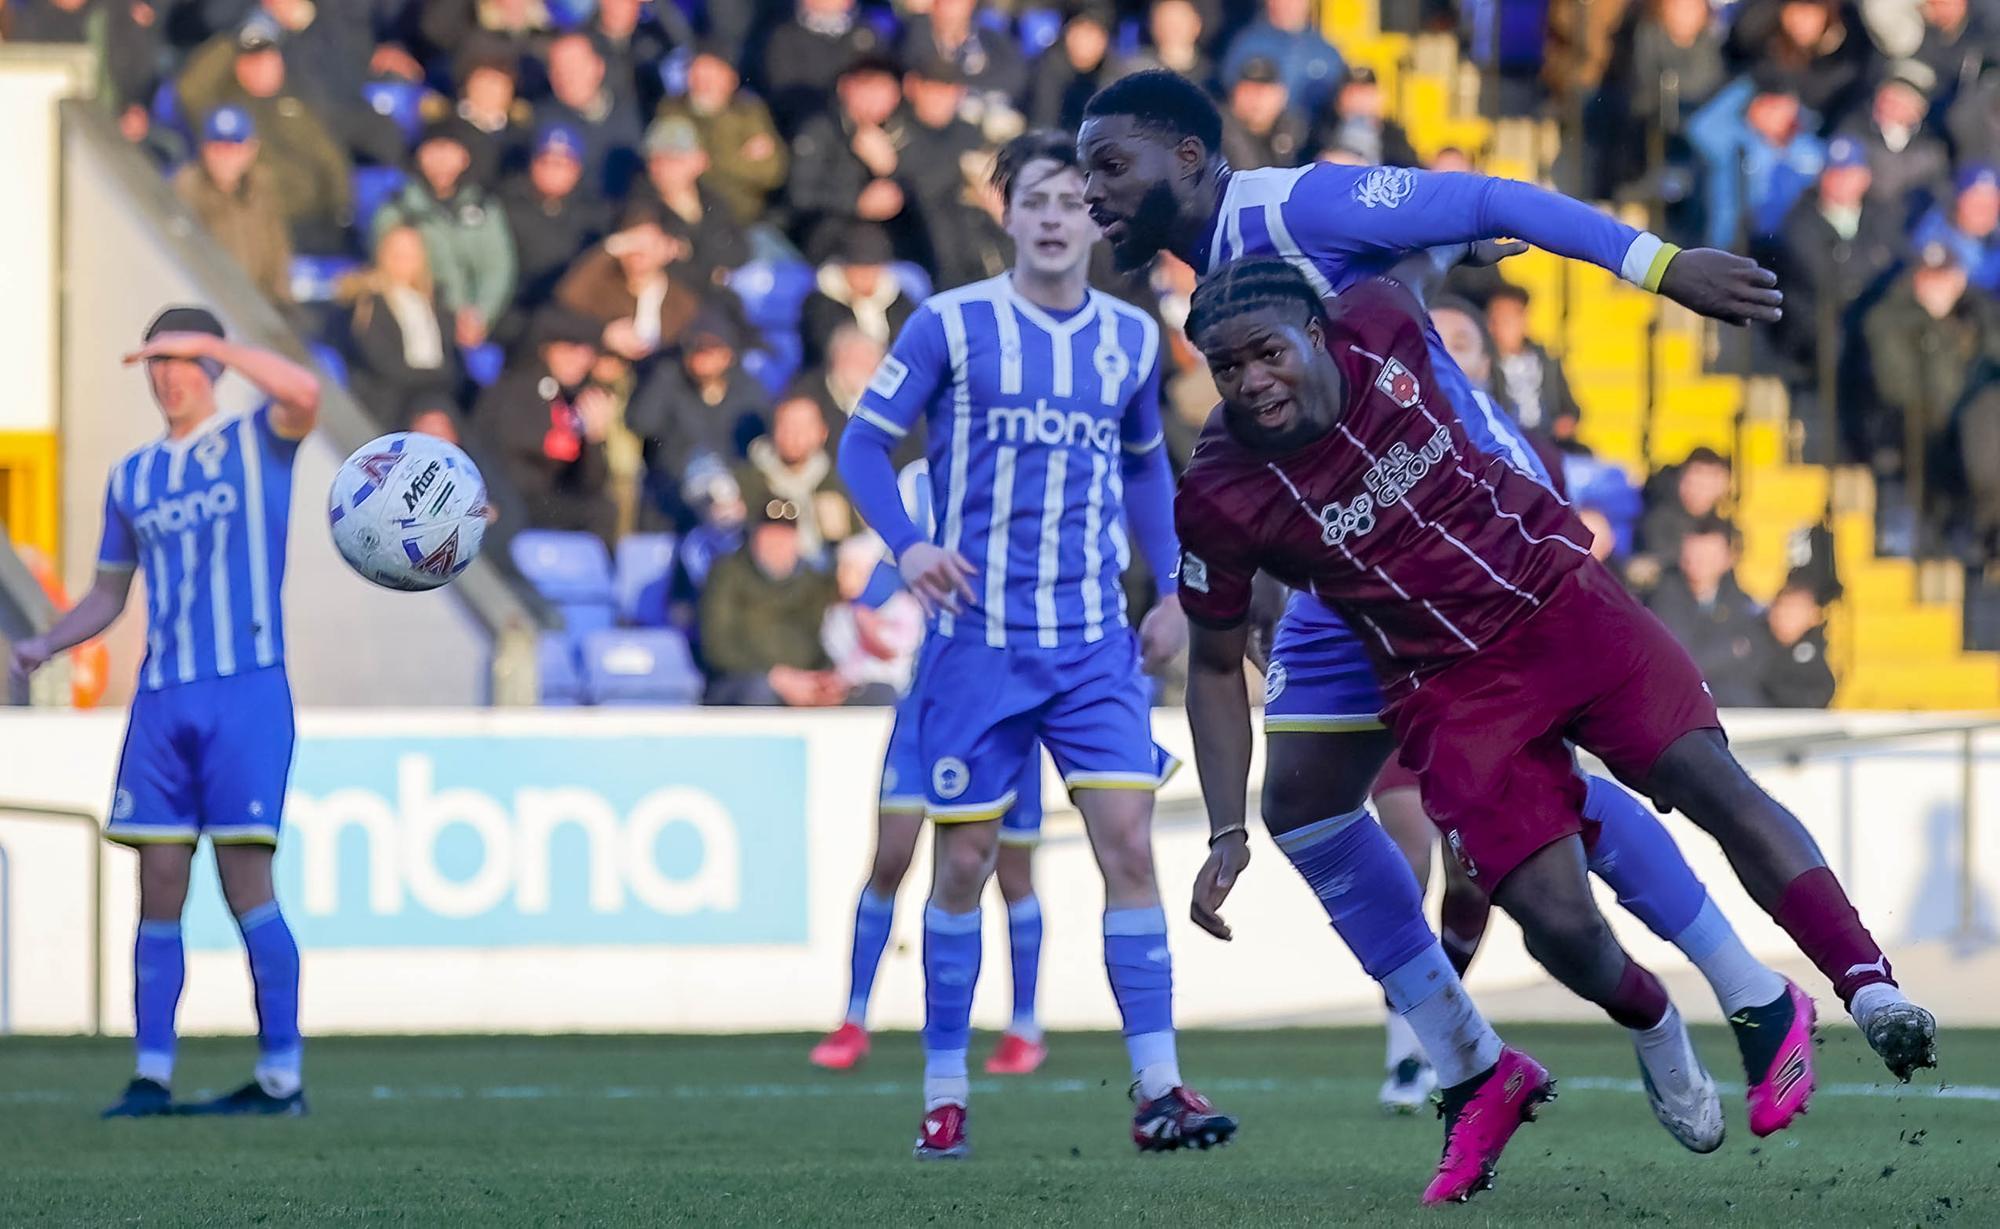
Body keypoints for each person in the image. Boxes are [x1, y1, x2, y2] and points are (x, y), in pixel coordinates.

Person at [1070, 70, 1848, 1198]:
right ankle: (1473, 1060)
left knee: (1561, 771)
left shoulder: (1297, 203)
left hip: (1468, 535)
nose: (1093, 193)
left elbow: (1492, 197)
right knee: (1303, 802)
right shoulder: (1220, 275)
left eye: (1108, 167)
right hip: (1356, 567)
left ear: (1187, 158)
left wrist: (1661, 267)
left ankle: (1741, 987)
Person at [1174, 265, 1936, 1166]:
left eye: (1268, 353)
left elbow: (1440, 213)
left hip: (1564, 606)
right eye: (1227, 368)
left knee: (1711, 782)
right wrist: (1225, 824)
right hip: (1451, 688)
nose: (1252, 379)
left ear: (1319, 325)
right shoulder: (1221, 490)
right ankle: (1653, 1020)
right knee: (1556, 924)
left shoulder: (1381, 316)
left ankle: (1868, 986)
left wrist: (1634, 257)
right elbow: (1215, 662)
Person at [837, 130, 1233, 1159]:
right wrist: (910, 540)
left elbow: (1147, 470)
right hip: (978, 643)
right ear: (1006, 216)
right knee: (962, 860)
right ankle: (942, 1085)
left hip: (1093, 640)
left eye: (1073, 200)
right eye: (1037, 200)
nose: (1056, 216)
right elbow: (861, 443)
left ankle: (1157, 1085)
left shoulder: (1129, 338)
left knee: (1129, 847)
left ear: (1097, 221)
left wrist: (1174, 592)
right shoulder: (949, 326)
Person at [9, 306, 322, 1117]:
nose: (169, 375)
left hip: (246, 686)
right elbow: (109, 593)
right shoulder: (134, 475)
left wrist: (214, 341)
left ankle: (281, 1075)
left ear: (212, 366)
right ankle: (151, 1071)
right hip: (161, 695)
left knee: (246, 877)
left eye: (182, 360)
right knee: (158, 881)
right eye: (156, 361)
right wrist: (43, 644)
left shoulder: (255, 441)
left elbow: (307, 391)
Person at [811, 461, 1052, 1076]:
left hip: (1007, 712)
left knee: (1012, 872)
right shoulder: (929, 493)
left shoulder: (1036, 515)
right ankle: (854, 1018)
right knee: (892, 856)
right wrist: (872, 607)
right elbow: (872, 589)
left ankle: (1024, 1026)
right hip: (928, 708)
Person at [372, 119, 517, 354]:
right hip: (417, 319)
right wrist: (444, 317)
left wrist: (479, 316)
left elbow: (498, 267)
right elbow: (391, 270)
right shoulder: (397, 209)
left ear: (465, 157)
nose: (440, 161)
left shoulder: (483, 207)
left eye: (449, 151)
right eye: (432, 151)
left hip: (474, 324)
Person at [477, 306, 619, 544]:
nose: (581, 360)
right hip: (504, 492)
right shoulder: (519, 382)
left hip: (543, 500)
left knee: (603, 509)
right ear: (548, 348)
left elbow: (592, 484)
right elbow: (493, 444)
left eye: (588, 353)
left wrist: (595, 439)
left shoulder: (574, 400)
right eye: (572, 349)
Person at [626, 310, 768, 530]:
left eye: (711, 351)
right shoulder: (669, 380)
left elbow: (761, 441)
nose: (702, 359)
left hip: (731, 493)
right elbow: (641, 422)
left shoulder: (747, 390)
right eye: (696, 350)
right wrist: (664, 379)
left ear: (728, 355)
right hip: (673, 492)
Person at [698, 497, 847, 706]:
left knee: (871, 693)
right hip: (739, 682)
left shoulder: (812, 582)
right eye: (770, 534)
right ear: (756, 536)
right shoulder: (726, 575)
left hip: (801, 680)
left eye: (785, 535)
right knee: (759, 691)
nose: (777, 543)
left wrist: (822, 678)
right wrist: (775, 676)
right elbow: (717, 648)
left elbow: (821, 639)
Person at [341, 225, 463, 427]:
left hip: (437, 397)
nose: (403, 261)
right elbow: (384, 363)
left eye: (410, 255)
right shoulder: (369, 303)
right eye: (397, 254)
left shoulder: (437, 306)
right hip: (391, 400)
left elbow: (453, 364)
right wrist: (435, 376)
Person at [657, 42, 789, 228]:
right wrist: (741, 157)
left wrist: (706, 160)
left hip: (747, 218)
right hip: (694, 221)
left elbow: (773, 171)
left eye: (712, 74)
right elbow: (669, 168)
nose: (703, 82)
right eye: (697, 73)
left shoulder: (749, 111)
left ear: (731, 79)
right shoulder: (673, 110)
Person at [173, 105, 293, 306]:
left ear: (251, 150)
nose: (226, 158)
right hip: (208, 302)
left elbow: (278, 254)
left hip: (259, 306)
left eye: (235, 148)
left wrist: (282, 303)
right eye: (218, 147)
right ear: (204, 149)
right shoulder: (187, 189)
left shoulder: (261, 187)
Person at [1645, 517, 1770, 705]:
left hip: (1734, 705)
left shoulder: (1740, 601)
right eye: (1693, 554)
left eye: (1709, 556)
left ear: (1728, 558)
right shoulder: (1664, 596)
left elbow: (1755, 662)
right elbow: (1679, 664)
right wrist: (1731, 650)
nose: (1698, 562)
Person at [499, 124, 612, 330]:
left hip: (577, 314)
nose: (552, 171)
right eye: (546, 162)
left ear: (577, 169)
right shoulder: (507, 207)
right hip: (520, 313)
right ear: (533, 165)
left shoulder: (594, 213)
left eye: (562, 164)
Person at [736, 394, 853, 564]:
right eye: (786, 426)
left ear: (822, 433)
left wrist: (840, 536)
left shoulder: (835, 481)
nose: (793, 435)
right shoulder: (747, 478)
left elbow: (856, 543)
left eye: (803, 427)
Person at [801, 223, 918, 369]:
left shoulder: (899, 302)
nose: (866, 278)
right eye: (859, 271)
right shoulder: (821, 305)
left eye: (872, 270)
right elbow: (822, 352)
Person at [1220, 0, 1345, 120]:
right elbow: (1230, 94)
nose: (1286, 3)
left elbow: (1339, 103)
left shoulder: (1327, 53)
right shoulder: (1246, 44)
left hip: (1314, 137)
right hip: (1259, 137)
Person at [1486, 285, 1581, 439]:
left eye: (1506, 320)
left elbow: (1571, 410)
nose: (1497, 327)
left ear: (1523, 321)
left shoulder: (1548, 361)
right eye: (1493, 319)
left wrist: (1565, 423)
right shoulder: (1484, 365)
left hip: (1550, 442)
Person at [1913, 164, 2000, 293]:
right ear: (1959, 200)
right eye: (1975, 201)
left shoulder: (1994, 237)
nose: (1984, 209)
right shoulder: (1935, 232)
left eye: (1991, 202)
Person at [1755, 580, 1837, 707]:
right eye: (1781, 609)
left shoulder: (1819, 653)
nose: (1784, 617)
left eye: (1794, 611)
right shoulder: (1754, 648)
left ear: (1813, 616)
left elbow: (1821, 694)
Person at [1220, 56, 1308, 171]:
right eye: (1248, 91)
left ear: (1281, 95)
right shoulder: (1217, 132)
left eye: (1263, 92)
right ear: (1234, 94)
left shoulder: (1295, 129)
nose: (1255, 100)